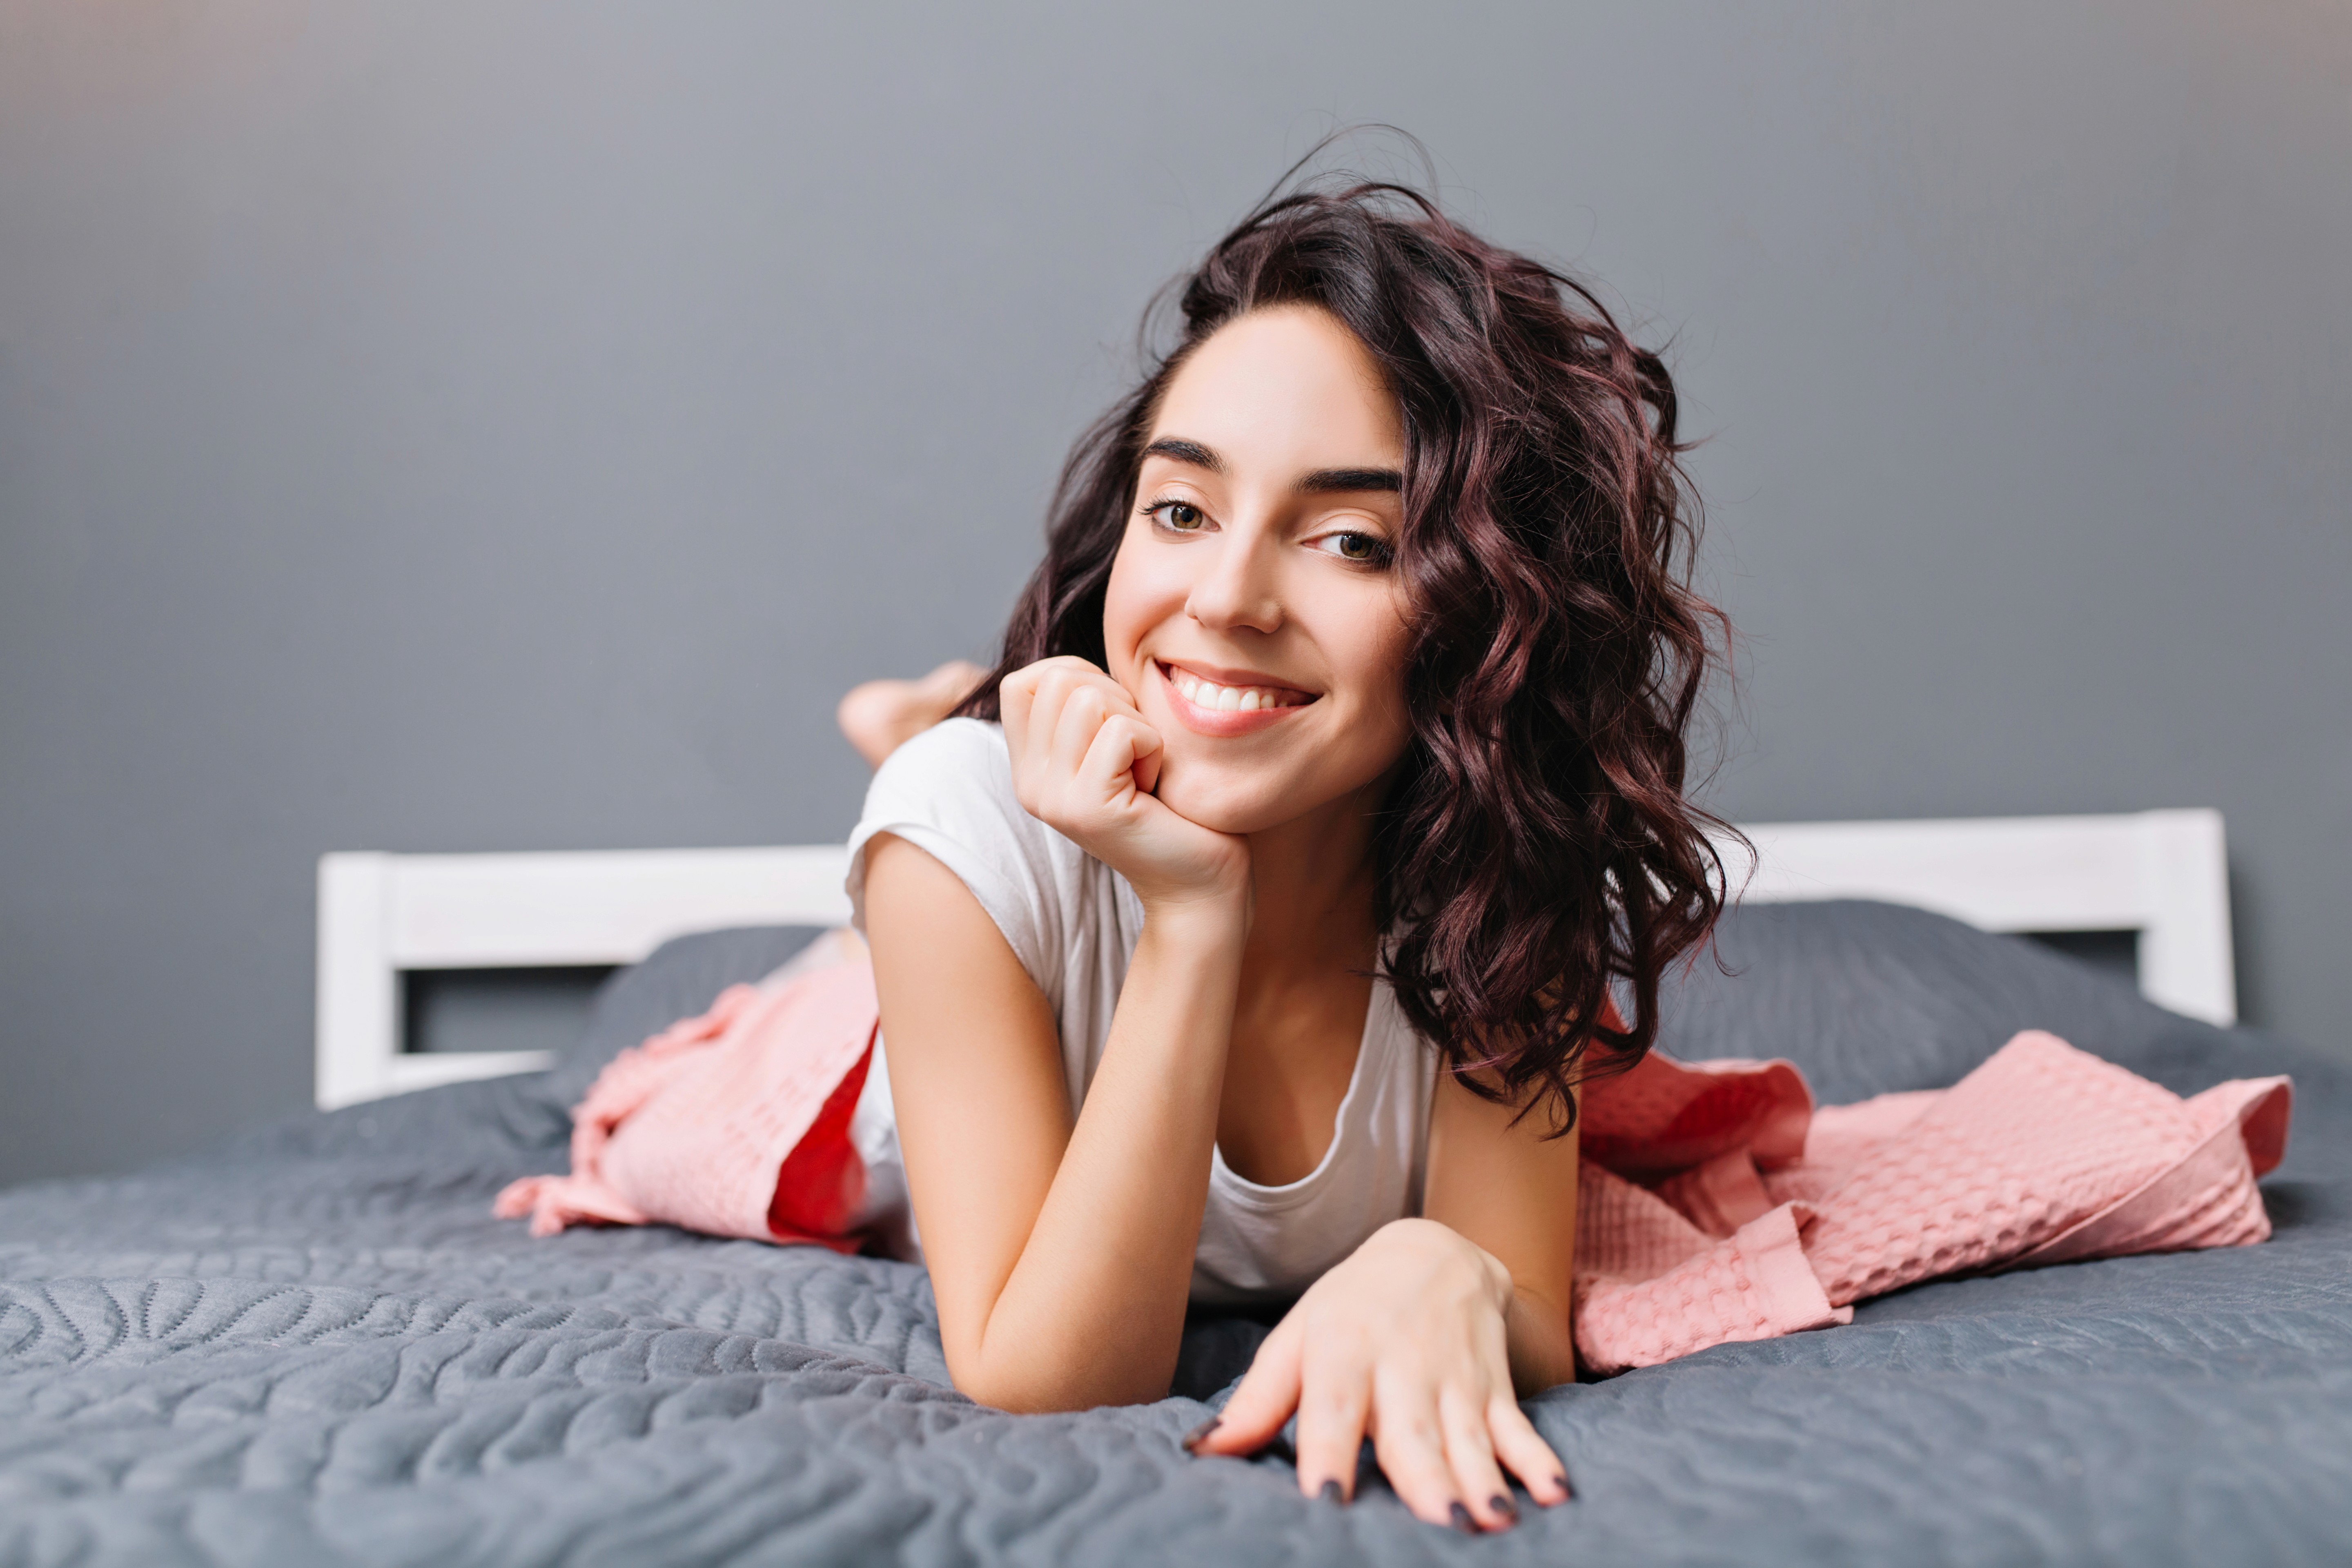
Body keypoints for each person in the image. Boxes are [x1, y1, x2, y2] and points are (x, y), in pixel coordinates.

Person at [839, 173, 1726, 1535]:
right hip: (946, 939)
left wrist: (1443, 1266)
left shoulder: (1498, 861)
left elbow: (1522, 1301)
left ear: (1489, 618)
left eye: (1350, 542)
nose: (1230, 599)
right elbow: (1047, 1378)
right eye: (1182, 512)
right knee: (916, 803)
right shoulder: (960, 843)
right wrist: (1193, 915)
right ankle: (922, 710)